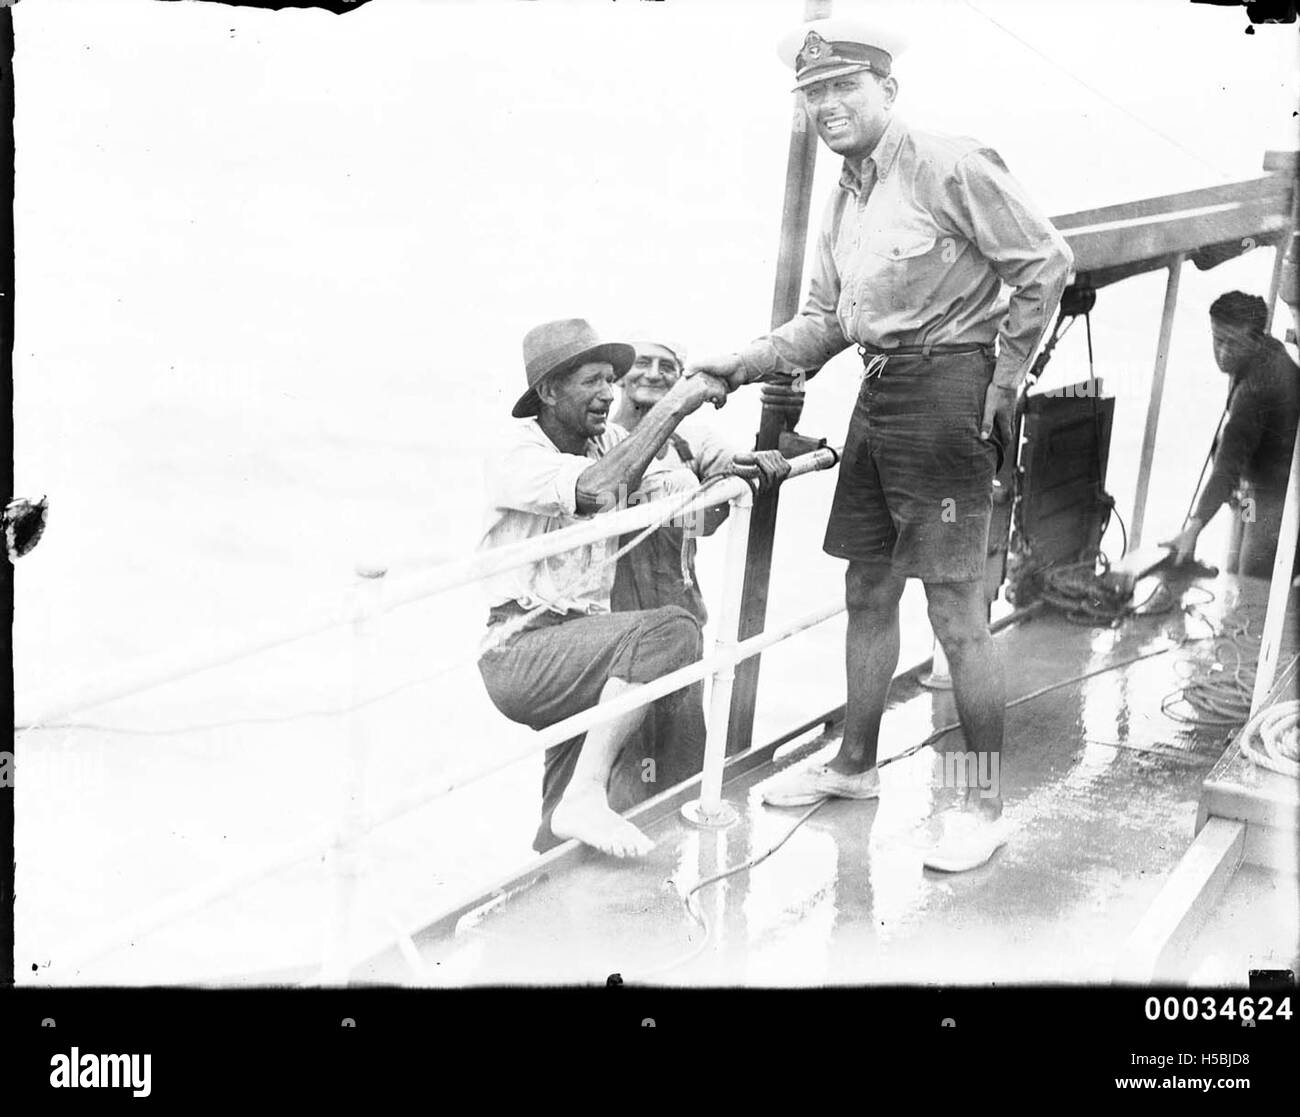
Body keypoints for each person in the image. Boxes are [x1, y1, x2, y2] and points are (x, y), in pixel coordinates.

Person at [687, 18, 1073, 872]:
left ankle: (981, 802)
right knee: (867, 586)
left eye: (842, 89)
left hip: (948, 397)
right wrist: (740, 361)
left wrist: (1004, 381)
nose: (827, 106)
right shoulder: (846, 192)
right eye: (813, 94)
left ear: (887, 91)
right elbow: (825, 323)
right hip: (879, 391)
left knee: (955, 614)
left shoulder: (947, 163)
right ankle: (856, 765)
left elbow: (1044, 264)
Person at [476, 318, 729, 859]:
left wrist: (732, 470)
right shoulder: (514, 451)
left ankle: (551, 872)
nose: (607, 394)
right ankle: (586, 798)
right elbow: (595, 490)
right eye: (591, 381)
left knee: (564, 807)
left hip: (580, 644)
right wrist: (674, 406)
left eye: (609, 381)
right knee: (672, 631)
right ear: (548, 391)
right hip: (520, 647)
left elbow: (681, 493)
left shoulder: (607, 441)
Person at [604, 336, 791, 807]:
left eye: (667, 366)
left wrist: (752, 468)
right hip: (610, 620)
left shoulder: (691, 439)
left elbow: (724, 481)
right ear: (621, 376)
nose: (652, 373)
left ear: (682, 377)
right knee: (614, 760)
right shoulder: (600, 443)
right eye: (641, 363)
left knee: (682, 757)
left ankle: (670, 856)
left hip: (679, 612)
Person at [1162, 291, 1300, 580]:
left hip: (1276, 501)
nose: (1223, 353)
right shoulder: (1267, 351)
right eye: (1217, 340)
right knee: (1234, 569)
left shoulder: (1256, 389)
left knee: (1251, 582)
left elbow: (1228, 465)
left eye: (1232, 344)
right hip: (1253, 494)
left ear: (1253, 339)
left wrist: (1194, 526)